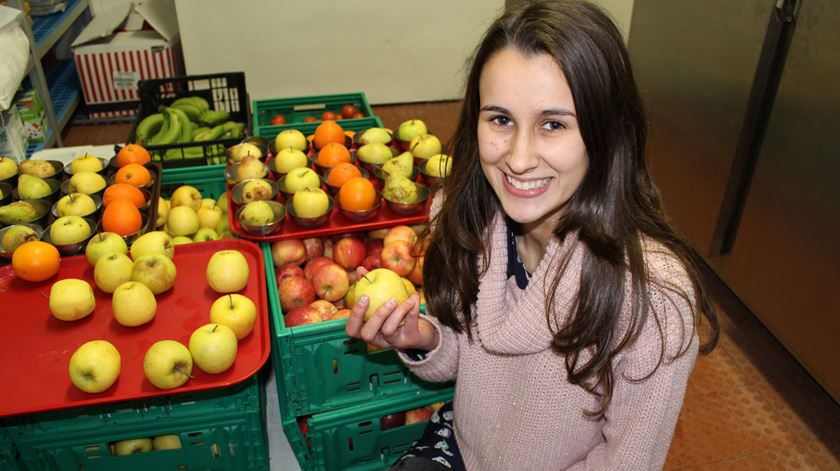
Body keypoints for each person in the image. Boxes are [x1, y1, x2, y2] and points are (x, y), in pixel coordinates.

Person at [345, 1, 719, 469]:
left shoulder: (652, 298)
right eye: (500, 119)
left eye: (554, 124)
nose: (519, 159)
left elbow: (626, 462)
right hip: (463, 446)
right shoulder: (468, 218)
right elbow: (471, 365)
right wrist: (420, 336)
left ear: (607, 133)